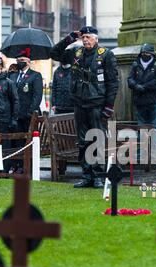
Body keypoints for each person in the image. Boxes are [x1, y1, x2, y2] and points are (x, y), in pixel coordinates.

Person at [50, 26, 119, 188]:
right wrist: (70, 38)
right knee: (83, 142)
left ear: (96, 39)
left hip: (98, 104)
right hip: (80, 103)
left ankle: (98, 176)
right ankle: (86, 175)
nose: (85, 40)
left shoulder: (106, 55)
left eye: (88, 37)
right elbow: (54, 54)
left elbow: (113, 83)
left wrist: (109, 106)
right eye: (84, 37)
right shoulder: (77, 53)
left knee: (97, 140)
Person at [8, 50, 43, 174]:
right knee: (16, 141)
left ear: (28, 62)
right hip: (15, 115)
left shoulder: (35, 75)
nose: (19, 63)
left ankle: (26, 165)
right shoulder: (12, 76)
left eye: (22, 60)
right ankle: (16, 164)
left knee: (27, 141)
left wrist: (31, 112)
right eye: (17, 61)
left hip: (28, 115)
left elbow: (37, 96)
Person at [127, 43, 156, 130]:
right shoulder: (135, 65)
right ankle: (143, 144)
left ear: (152, 54)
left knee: (155, 127)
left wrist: (144, 87)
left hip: (154, 101)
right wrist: (136, 86)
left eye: (147, 53)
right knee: (141, 127)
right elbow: (130, 79)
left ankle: (154, 144)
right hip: (140, 101)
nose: (145, 55)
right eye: (143, 53)